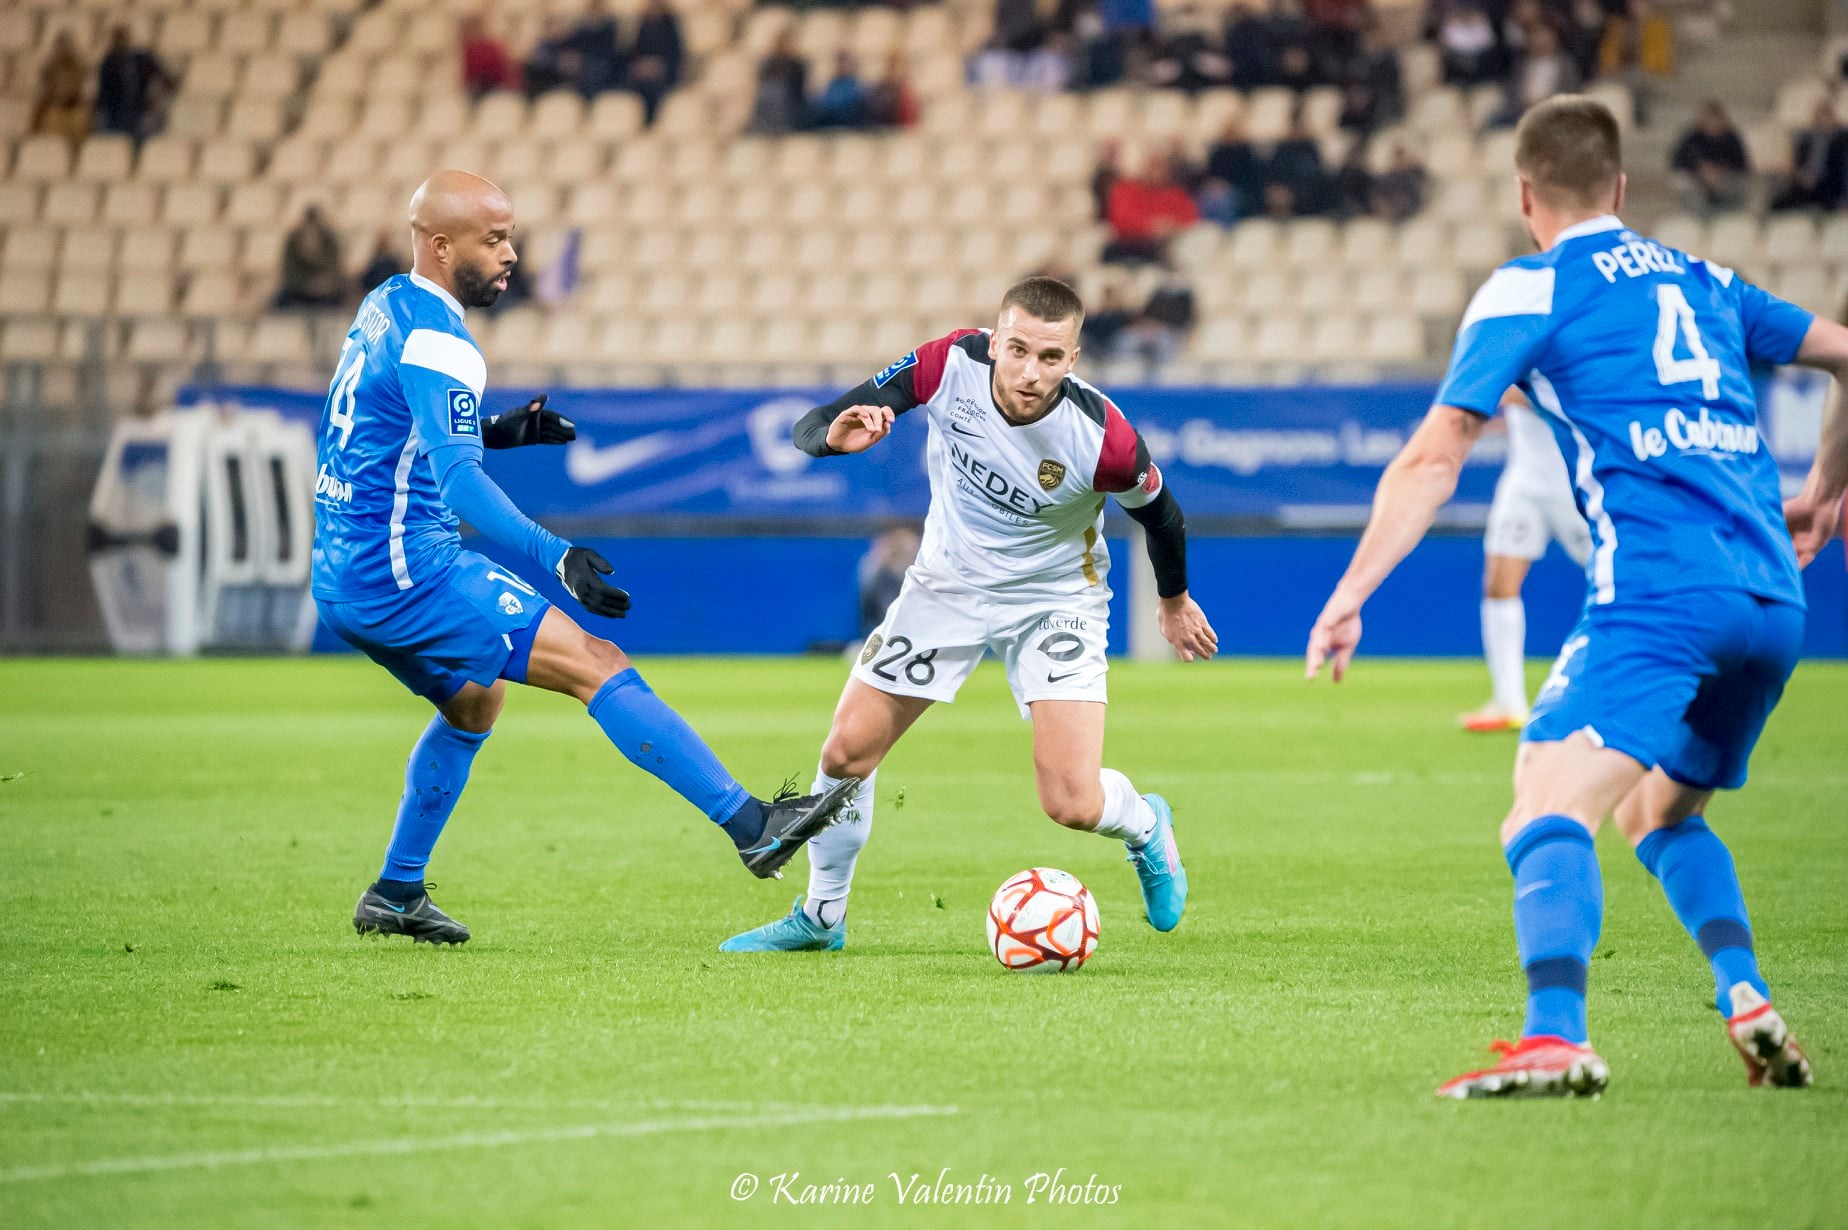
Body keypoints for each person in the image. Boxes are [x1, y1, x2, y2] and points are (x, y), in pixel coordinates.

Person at [1306, 96, 1826, 1098]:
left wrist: (1351, 590)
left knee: (1543, 805)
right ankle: (1747, 995)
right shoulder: (1707, 279)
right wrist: (1826, 490)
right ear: (1621, 187)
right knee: (1659, 815)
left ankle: (1556, 1036)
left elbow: (1436, 455)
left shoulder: (1531, 285)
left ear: (1524, 195)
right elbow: (1842, 350)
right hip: (1774, 599)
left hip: (1661, 594)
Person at [313, 171, 858, 945]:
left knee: (474, 704)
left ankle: (397, 891)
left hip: (343, 570)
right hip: (407, 570)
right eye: (492, 239)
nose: (511, 253)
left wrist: (495, 431)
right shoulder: (444, 343)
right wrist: (558, 554)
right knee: (595, 662)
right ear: (441, 246)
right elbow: (458, 484)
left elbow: (384, 422)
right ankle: (753, 828)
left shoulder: (386, 305)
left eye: (509, 236)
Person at [720, 277, 1218, 954]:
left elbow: (1161, 514)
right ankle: (821, 917)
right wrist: (832, 440)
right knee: (845, 753)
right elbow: (816, 424)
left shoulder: (1104, 438)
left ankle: (1145, 825)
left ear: (1073, 359)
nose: (1029, 371)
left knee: (1071, 801)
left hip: (1054, 600)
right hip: (946, 587)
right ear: (995, 339)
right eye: (1018, 350)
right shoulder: (949, 361)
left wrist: (1173, 599)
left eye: (1050, 357)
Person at [1458, 388, 1592, 732]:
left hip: (1571, 484)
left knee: (1616, 582)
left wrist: (1501, 387)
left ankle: (1634, 687)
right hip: (1523, 484)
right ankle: (1509, 701)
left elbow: (1552, 393)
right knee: (1498, 583)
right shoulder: (1517, 356)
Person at [1670, 100, 1749, 215]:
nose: (1712, 123)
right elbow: (1678, 161)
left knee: (1741, 184)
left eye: (1715, 119)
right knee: (1682, 181)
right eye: (1709, 119)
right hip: (1697, 180)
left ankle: (1727, 211)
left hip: (1725, 180)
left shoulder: (1732, 138)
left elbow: (1741, 164)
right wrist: (1700, 171)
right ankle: (1697, 214)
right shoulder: (1692, 137)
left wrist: (1721, 172)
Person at [95, 25, 173, 140]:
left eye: (122, 39)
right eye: (117, 40)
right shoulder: (108, 63)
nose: (120, 43)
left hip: (141, 111)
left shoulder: (142, 59)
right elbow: (103, 93)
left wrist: (158, 95)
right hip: (115, 115)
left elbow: (164, 78)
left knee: (147, 129)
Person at [276, 205, 346, 309]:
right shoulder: (292, 243)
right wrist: (308, 285)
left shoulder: (330, 243)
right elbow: (289, 273)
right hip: (298, 292)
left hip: (326, 292)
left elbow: (335, 270)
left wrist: (323, 283)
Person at [31, 32, 90, 146]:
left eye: (67, 46)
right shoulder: (48, 69)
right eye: (60, 46)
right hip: (55, 110)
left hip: (75, 110)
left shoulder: (81, 68)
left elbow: (86, 93)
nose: (64, 50)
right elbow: (42, 95)